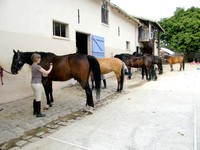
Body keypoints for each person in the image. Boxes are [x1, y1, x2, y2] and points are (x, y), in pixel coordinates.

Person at [31, 53, 53, 117]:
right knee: (38, 98)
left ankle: (35, 111)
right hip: (37, 84)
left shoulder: (32, 65)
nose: (40, 59)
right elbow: (47, 72)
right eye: (39, 58)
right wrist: (51, 67)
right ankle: (38, 113)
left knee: (35, 97)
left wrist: (43, 75)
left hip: (33, 83)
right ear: (36, 59)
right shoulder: (38, 66)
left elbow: (38, 73)